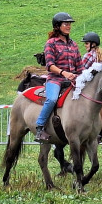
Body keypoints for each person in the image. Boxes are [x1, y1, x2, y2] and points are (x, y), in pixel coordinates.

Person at [34, 12, 83, 143]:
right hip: (55, 80)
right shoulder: (51, 43)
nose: (69, 26)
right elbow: (50, 65)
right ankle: (40, 127)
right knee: (51, 99)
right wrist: (64, 73)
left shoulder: (74, 45)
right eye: (66, 24)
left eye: (69, 24)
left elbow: (80, 66)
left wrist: (81, 76)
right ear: (57, 26)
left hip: (72, 81)